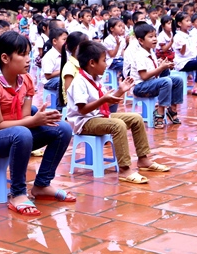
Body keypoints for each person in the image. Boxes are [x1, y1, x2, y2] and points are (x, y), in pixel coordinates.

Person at [0, 31, 74, 216]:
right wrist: (34, 121)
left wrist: (39, 119)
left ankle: (42, 185)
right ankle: (18, 192)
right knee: (22, 133)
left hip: (17, 132)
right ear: (4, 58)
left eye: (29, 53)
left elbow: (26, 117)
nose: (28, 59)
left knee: (63, 129)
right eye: (22, 54)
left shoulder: (25, 79)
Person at [65, 41, 170, 184]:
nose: (107, 64)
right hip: (84, 122)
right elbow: (83, 109)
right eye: (103, 60)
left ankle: (143, 159)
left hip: (97, 116)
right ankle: (125, 169)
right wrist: (103, 100)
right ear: (92, 63)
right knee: (118, 125)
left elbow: (105, 103)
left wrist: (120, 91)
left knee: (136, 118)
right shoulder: (79, 81)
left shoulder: (95, 79)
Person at [128, 22, 184, 129]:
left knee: (177, 80)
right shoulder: (140, 54)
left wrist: (164, 66)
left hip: (150, 83)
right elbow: (144, 76)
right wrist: (161, 68)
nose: (154, 39)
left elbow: (155, 75)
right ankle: (159, 114)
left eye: (155, 36)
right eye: (150, 37)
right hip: (140, 87)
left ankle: (172, 110)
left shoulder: (151, 52)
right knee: (166, 81)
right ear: (141, 41)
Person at [173, 12, 197, 96]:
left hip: (191, 60)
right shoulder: (178, 37)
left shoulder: (189, 35)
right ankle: (196, 87)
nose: (189, 23)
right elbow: (182, 53)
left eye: (190, 21)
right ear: (179, 23)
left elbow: (195, 49)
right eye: (187, 21)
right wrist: (184, 46)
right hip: (183, 62)